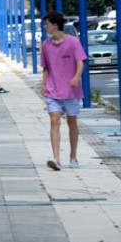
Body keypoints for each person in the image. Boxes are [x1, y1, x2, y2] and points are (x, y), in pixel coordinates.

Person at [40, 12, 87, 170]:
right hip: (53, 90)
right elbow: (46, 67)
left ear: (55, 25)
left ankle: (73, 157)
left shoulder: (73, 42)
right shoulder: (46, 45)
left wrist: (76, 77)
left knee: (72, 122)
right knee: (54, 120)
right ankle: (56, 158)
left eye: (47, 24)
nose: (45, 27)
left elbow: (80, 62)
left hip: (71, 91)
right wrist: (44, 84)